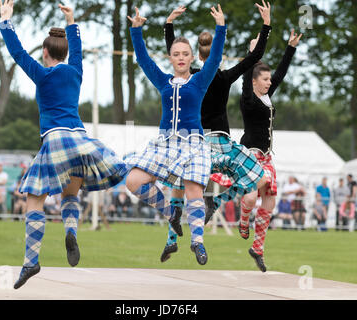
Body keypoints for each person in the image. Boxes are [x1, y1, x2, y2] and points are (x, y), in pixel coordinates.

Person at [0, 1, 127, 289]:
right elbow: (78, 51)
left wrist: (5, 21)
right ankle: (71, 232)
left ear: (45, 52)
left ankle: (31, 261)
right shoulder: (76, 72)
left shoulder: (42, 75)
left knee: (34, 199)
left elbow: (17, 53)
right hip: (80, 139)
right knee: (71, 193)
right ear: (66, 52)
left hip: (55, 139)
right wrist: (71, 21)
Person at [159, 2, 270, 262]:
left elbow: (173, 51)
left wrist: (169, 23)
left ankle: (171, 239)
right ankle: (217, 202)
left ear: (197, 57)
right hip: (221, 142)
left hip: (196, 142)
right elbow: (254, 60)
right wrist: (266, 26)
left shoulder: (192, 77)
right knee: (260, 179)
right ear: (218, 57)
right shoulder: (224, 77)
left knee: (178, 184)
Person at [126, 5, 227, 265]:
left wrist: (220, 28)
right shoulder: (162, 81)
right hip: (165, 143)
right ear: (170, 58)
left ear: (192, 58)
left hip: (193, 142)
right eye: (176, 54)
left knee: (194, 189)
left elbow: (214, 59)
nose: (181, 58)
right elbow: (144, 60)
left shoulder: (199, 81)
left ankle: (198, 242)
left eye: (185, 54)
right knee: (134, 180)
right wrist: (136, 30)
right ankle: (171, 211)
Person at [237, 27, 302, 272]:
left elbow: (282, 73)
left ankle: (258, 247)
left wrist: (291, 47)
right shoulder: (248, 99)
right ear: (254, 81)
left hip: (266, 157)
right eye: (264, 79)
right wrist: (250, 54)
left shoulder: (266, 96)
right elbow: (244, 78)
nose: (269, 82)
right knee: (252, 196)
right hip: (249, 155)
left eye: (268, 80)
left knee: (270, 199)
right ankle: (244, 222)